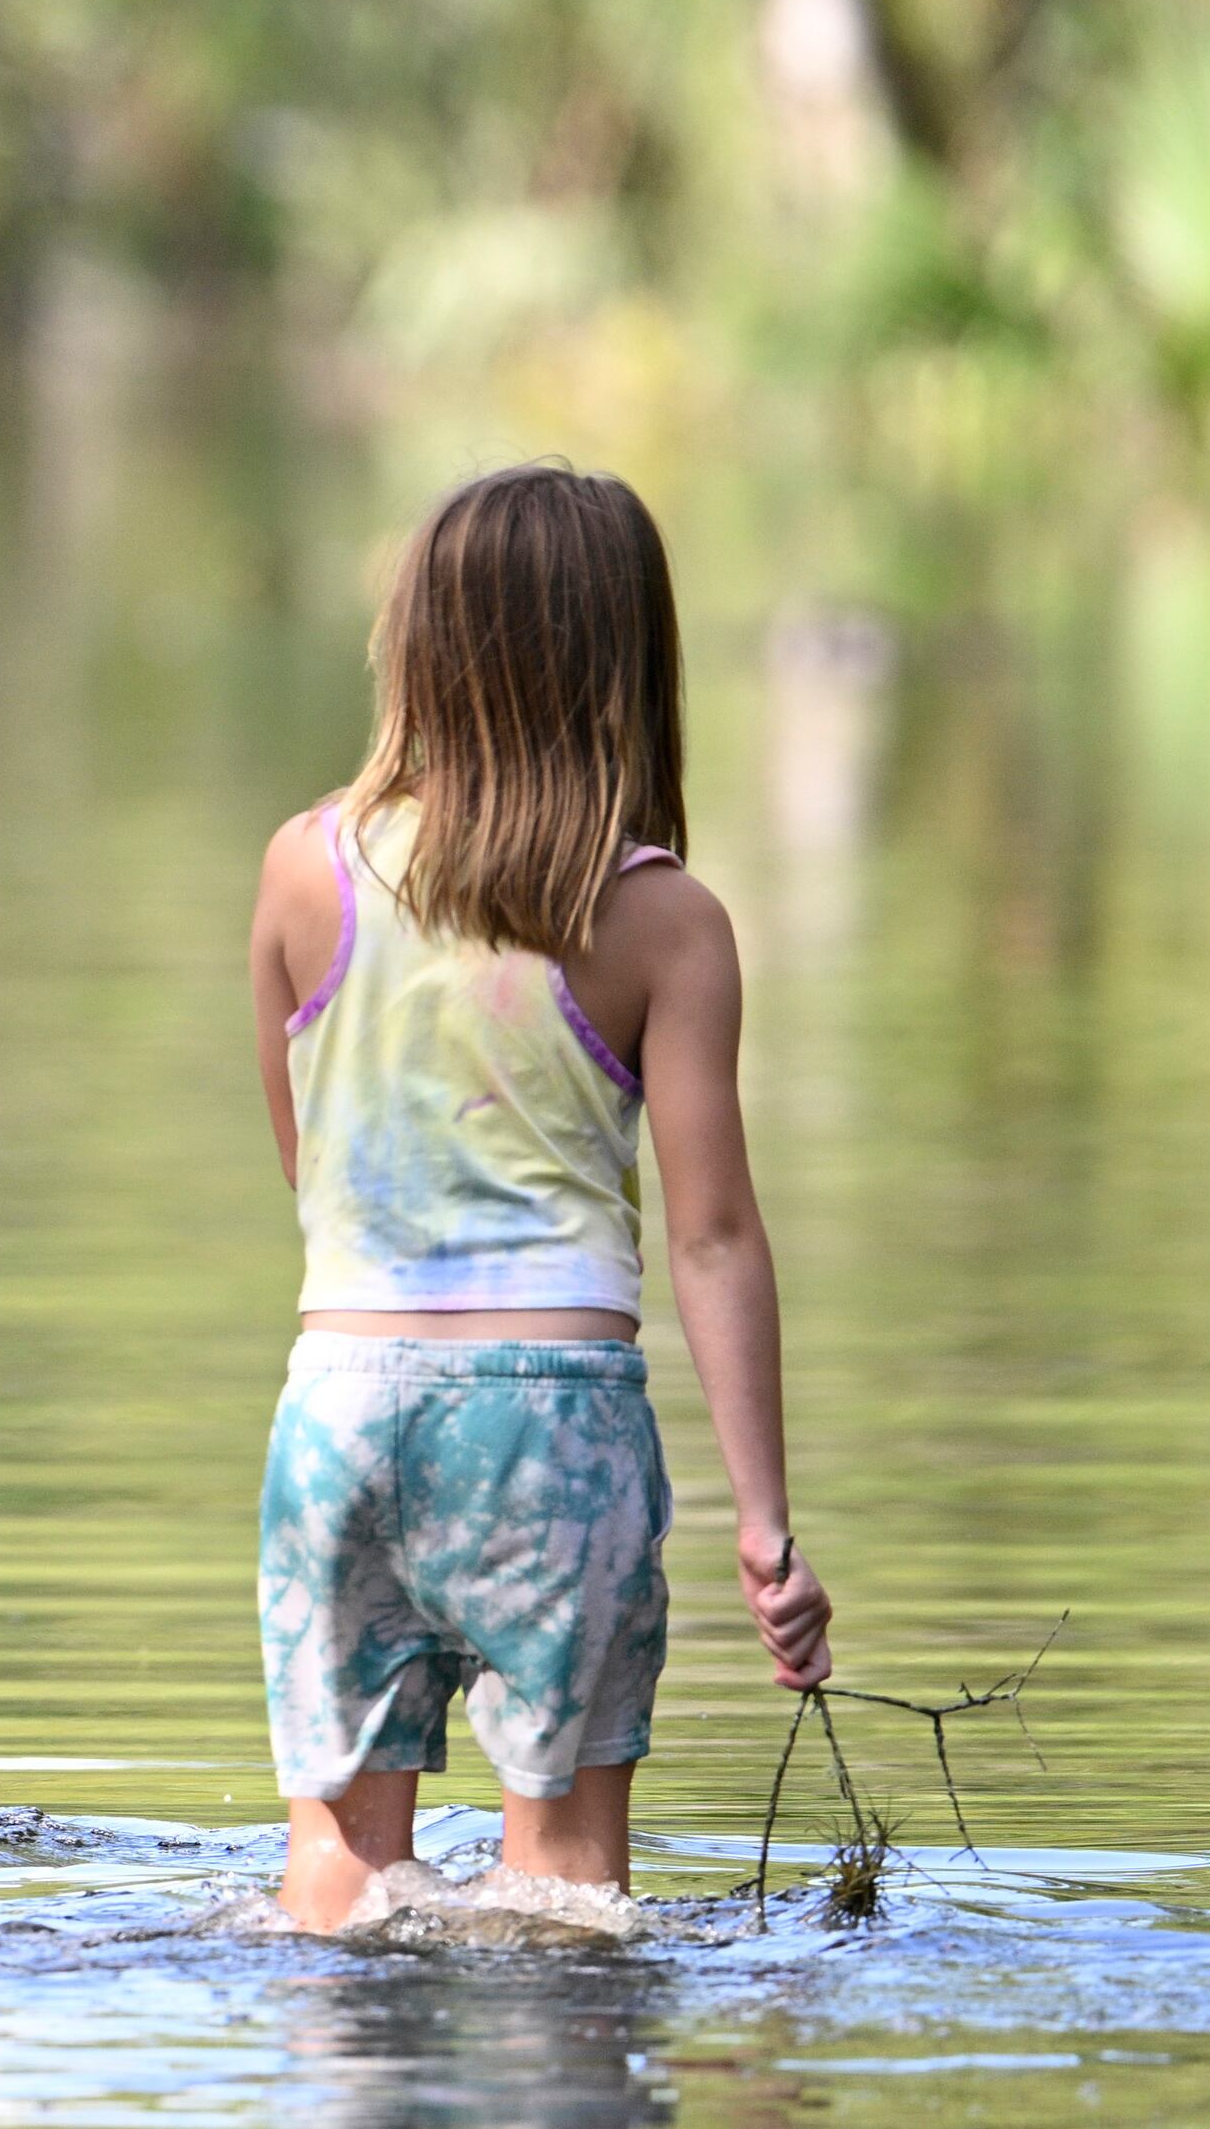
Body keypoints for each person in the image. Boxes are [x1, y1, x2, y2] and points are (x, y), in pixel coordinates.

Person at [244, 462, 837, 1928]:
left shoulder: (301, 869)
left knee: (338, 1871)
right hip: (552, 1417)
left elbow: (308, 1171)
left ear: (420, 646)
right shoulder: (660, 919)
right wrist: (765, 1526)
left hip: (341, 1403)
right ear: (626, 662)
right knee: (565, 1890)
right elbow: (709, 1233)